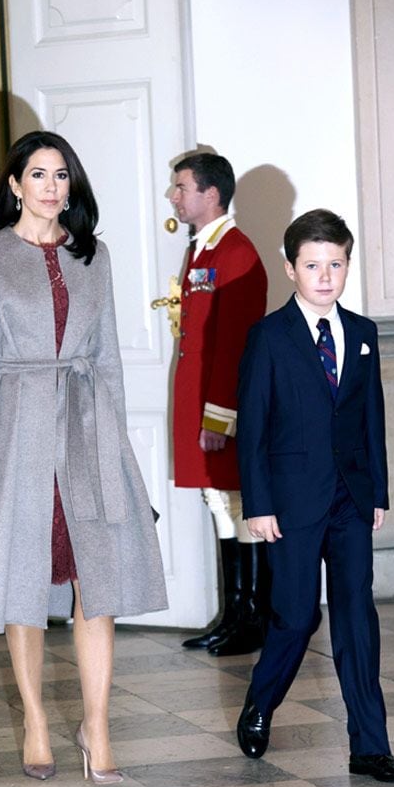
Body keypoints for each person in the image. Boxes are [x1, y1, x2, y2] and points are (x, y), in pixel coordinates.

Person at [0, 130, 168, 782]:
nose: (52, 186)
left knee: (94, 584)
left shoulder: (92, 257)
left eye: (61, 175)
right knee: (22, 583)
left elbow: (106, 360)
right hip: (17, 430)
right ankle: (38, 722)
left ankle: (96, 728)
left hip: (86, 427)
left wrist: (118, 447)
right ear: (15, 185)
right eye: (38, 175)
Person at [235, 209, 394, 784]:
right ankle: (262, 701)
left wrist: (377, 490)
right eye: (313, 265)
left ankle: (370, 744)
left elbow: (371, 417)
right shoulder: (268, 337)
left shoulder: (362, 333)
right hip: (288, 502)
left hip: (350, 498)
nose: (326, 275)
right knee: (295, 615)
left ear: (347, 265)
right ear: (291, 269)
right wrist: (258, 505)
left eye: (336, 263)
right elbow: (255, 428)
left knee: (357, 615)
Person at [170, 153, 269, 657]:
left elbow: (232, 343)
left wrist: (218, 416)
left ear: (211, 193)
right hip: (199, 395)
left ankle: (253, 616)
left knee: (235, 503)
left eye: (181, 187)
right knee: (218, 503)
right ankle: (234, 614)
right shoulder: (203, 249)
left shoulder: (236, 252)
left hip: (221, 402)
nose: (173, 196)